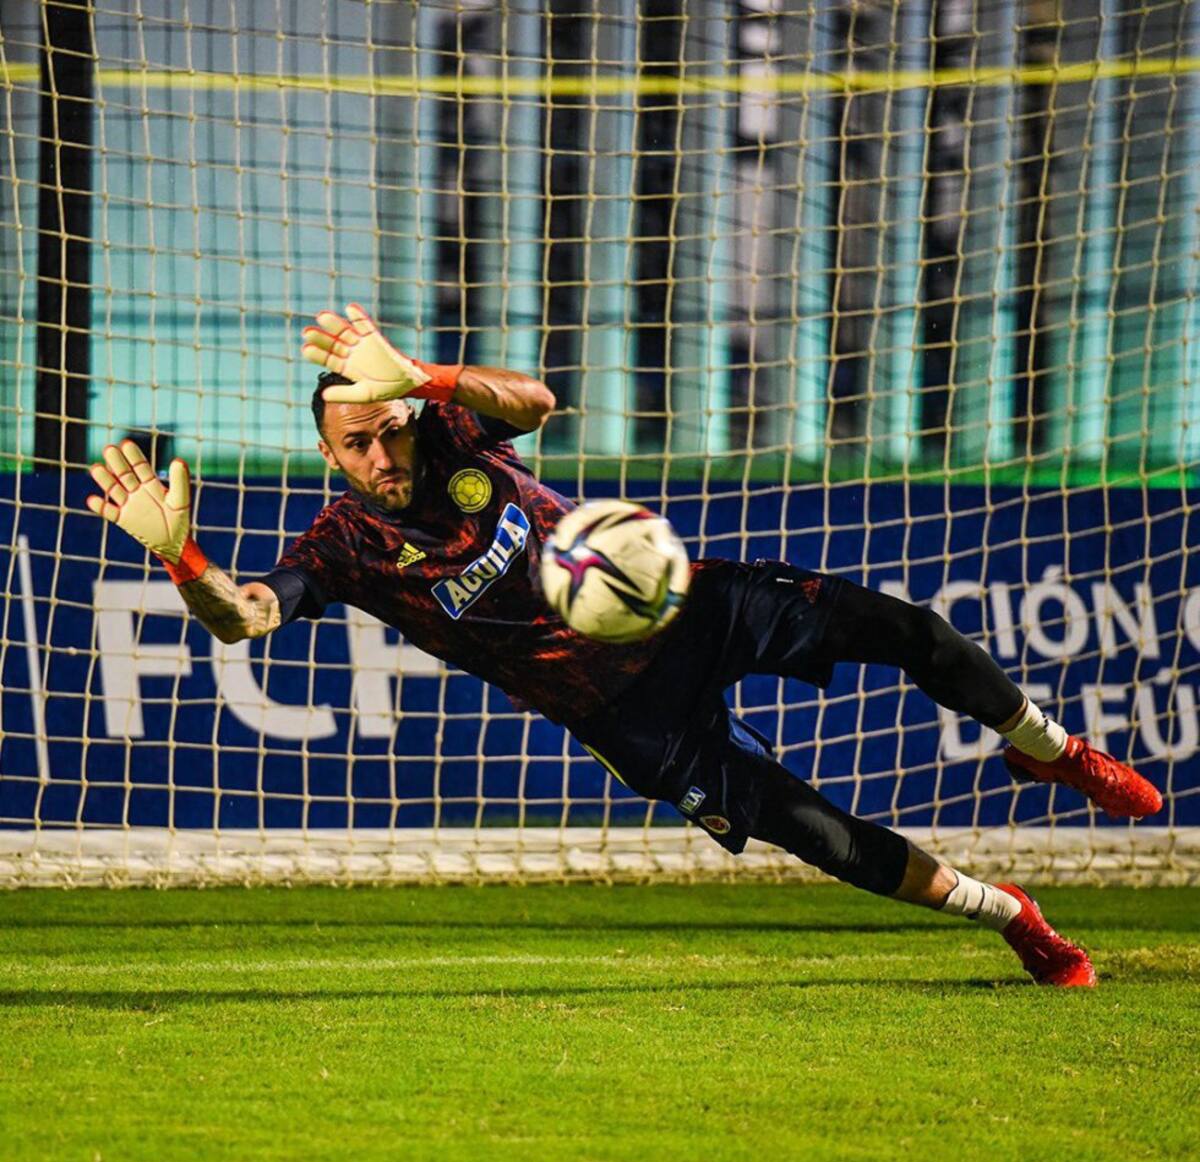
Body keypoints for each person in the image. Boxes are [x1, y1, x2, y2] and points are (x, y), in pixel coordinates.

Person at [86, 303, 1162, 988]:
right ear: (327, 454)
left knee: (909, 628)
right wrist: (184, 562)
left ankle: (1049, 747)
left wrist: (422, 375)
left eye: (386, 429)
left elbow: (540, 401)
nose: (378, 452)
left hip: (675, 598)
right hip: (623, 716)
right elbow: (250, 616)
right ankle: (1012, 915)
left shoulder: (448, 426)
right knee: (814, 833)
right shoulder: (345, 544)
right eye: (353, 443)